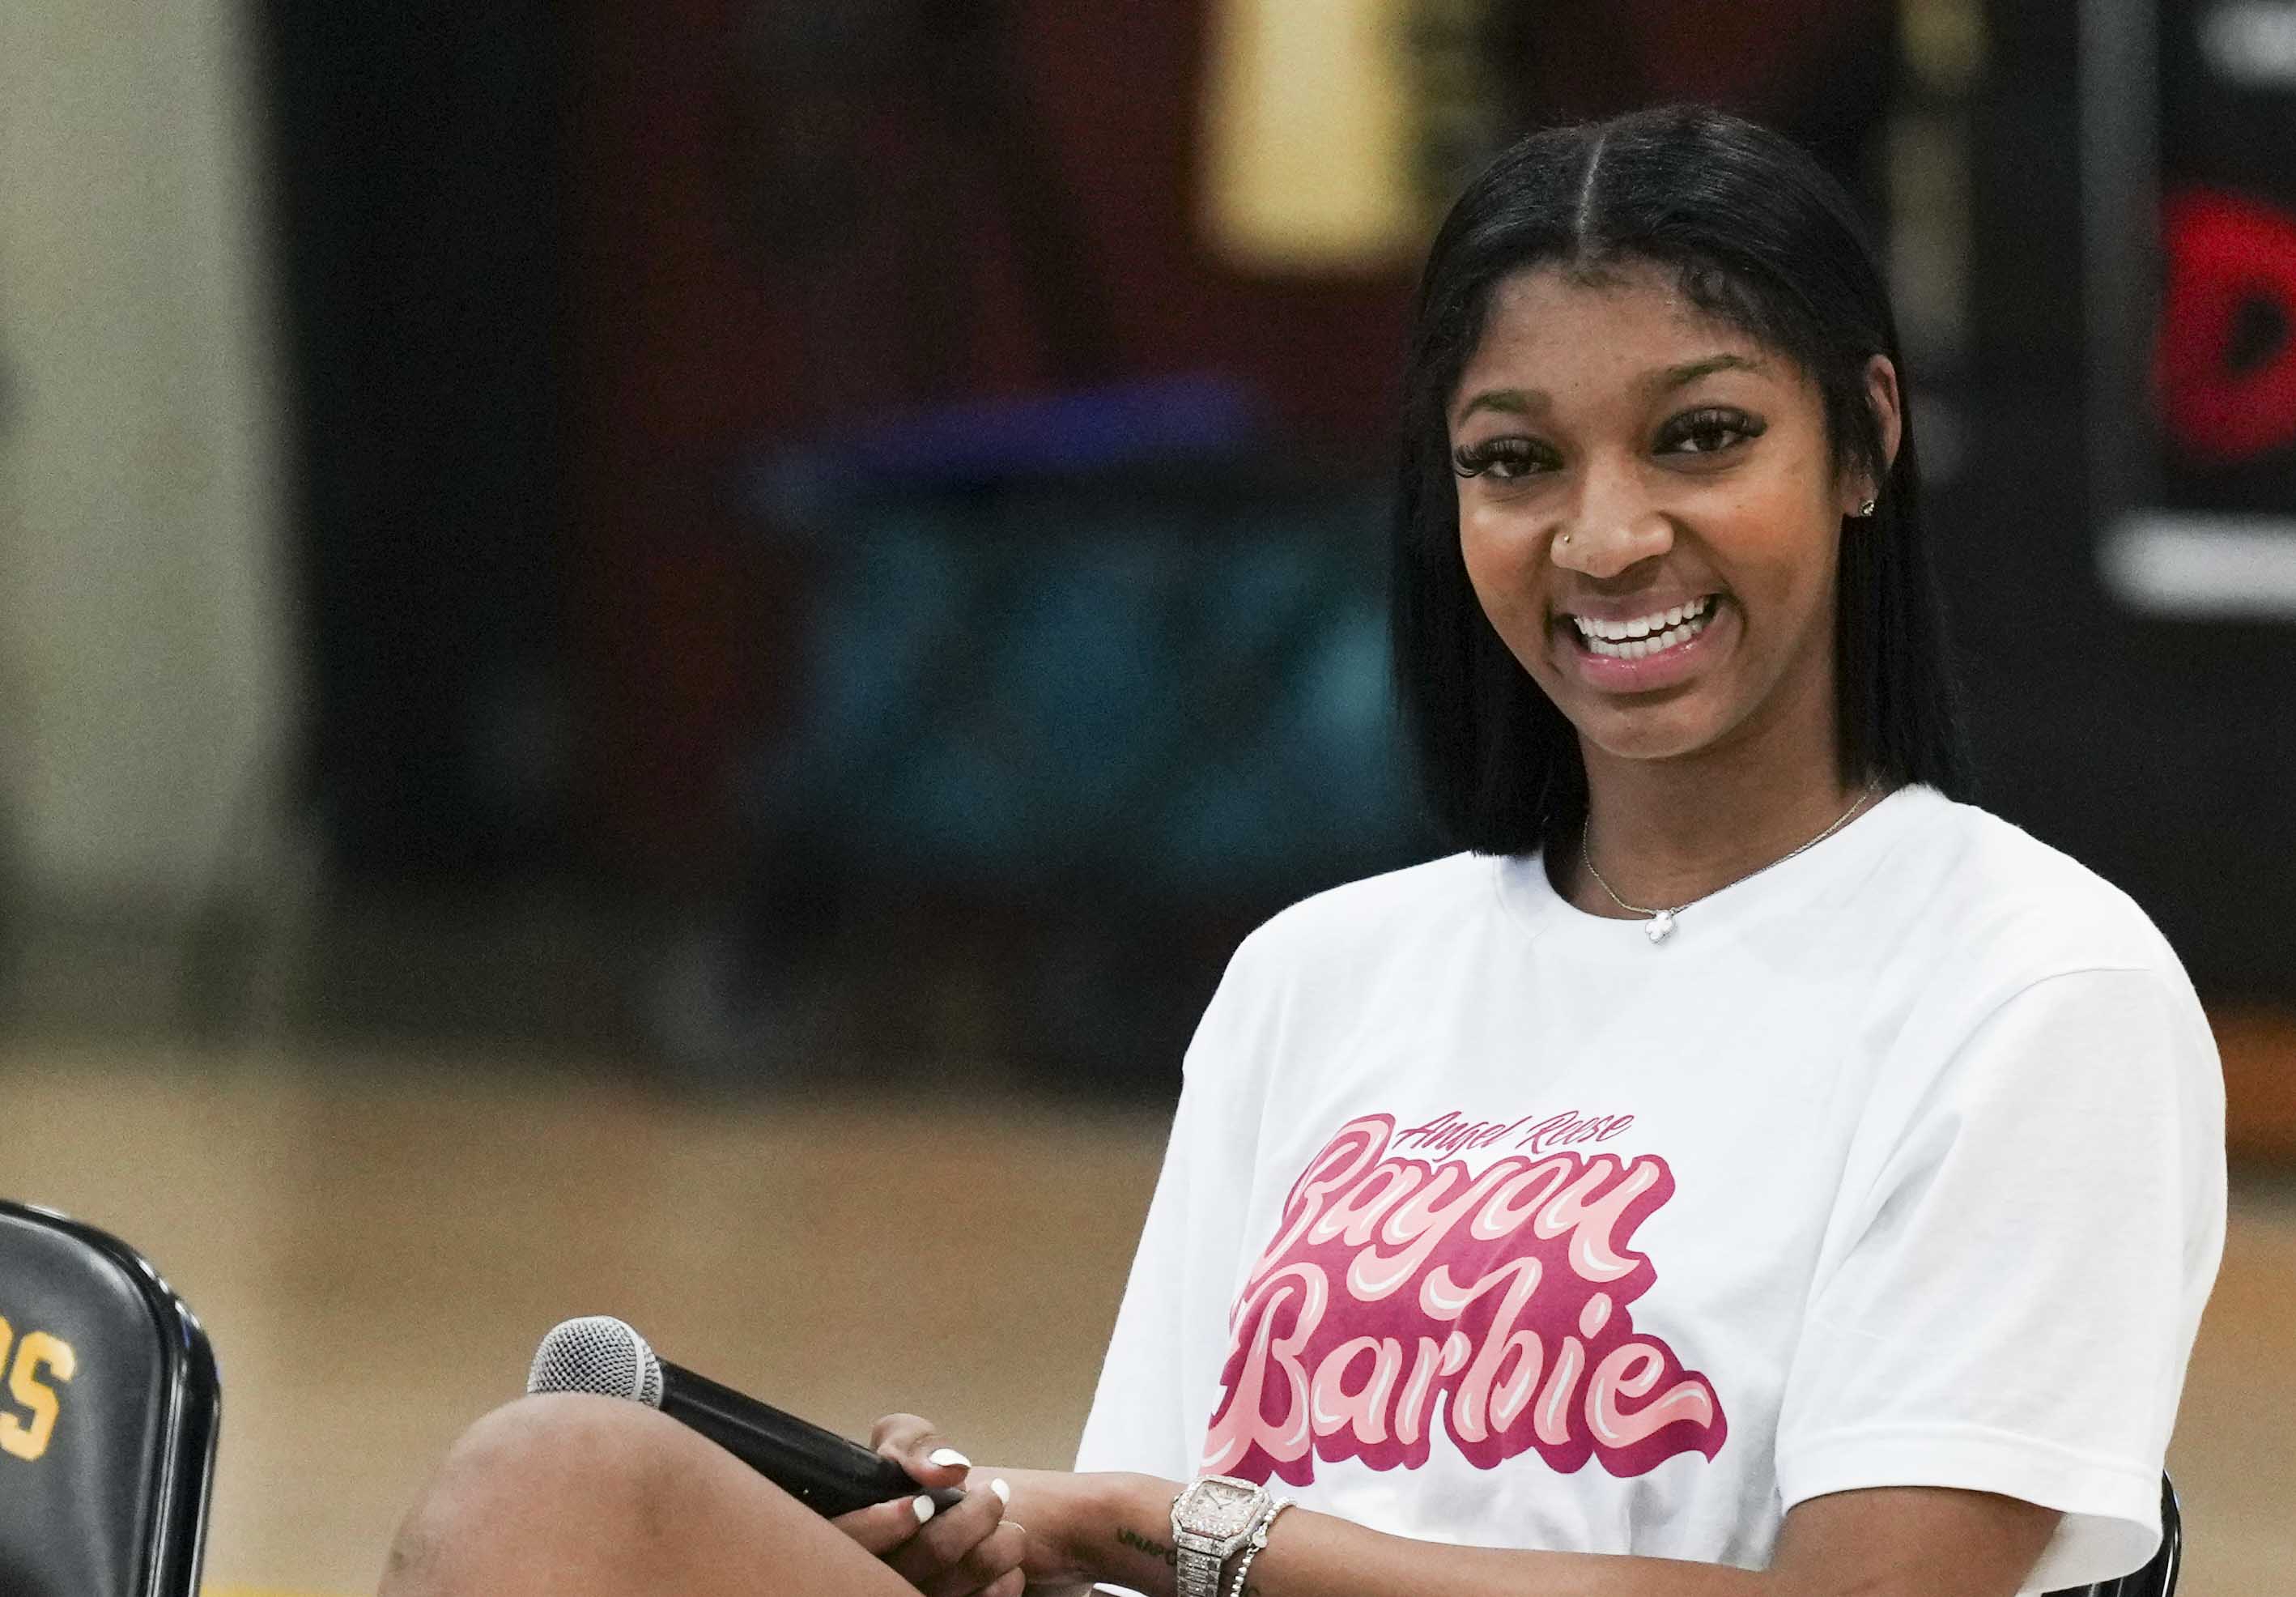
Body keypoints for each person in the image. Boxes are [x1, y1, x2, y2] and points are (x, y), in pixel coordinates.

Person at [376, 104, 2224, 1597]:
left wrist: (1187, 1530)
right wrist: (1024, 1538)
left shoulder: (2032, 985)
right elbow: (1140, 1533)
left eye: (1700, 436)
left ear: (1862, 440)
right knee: (567, 1482)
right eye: (1515, 461)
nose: (1603, 537)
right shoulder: (1322, 972)